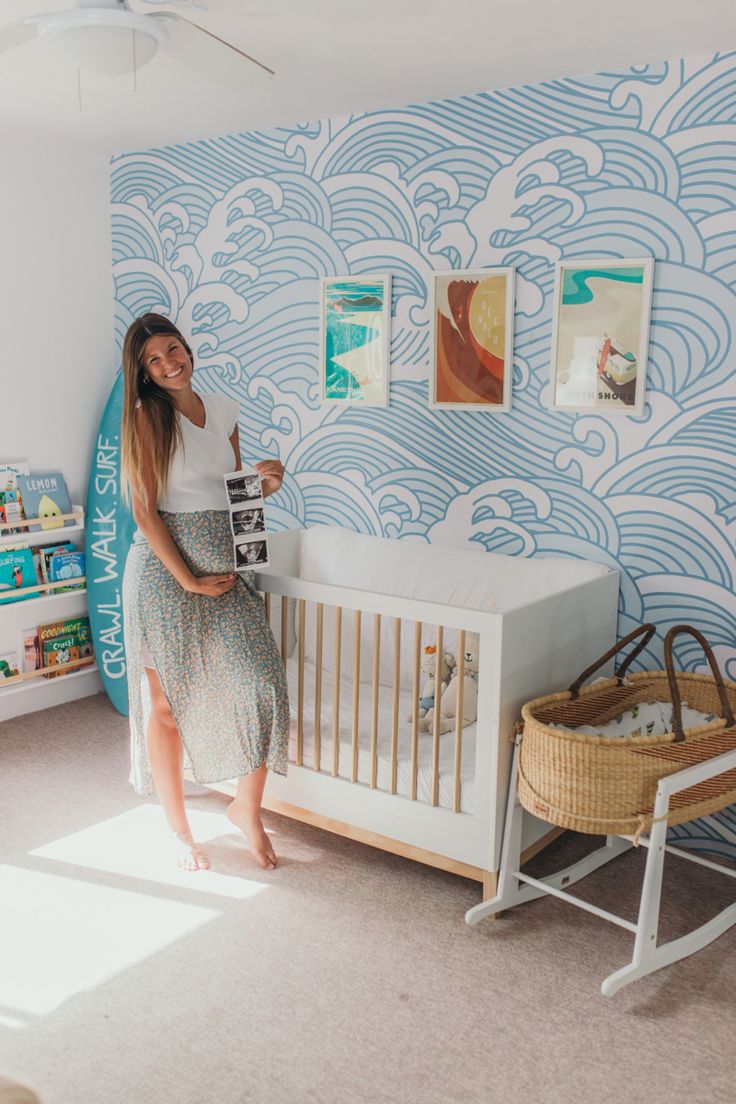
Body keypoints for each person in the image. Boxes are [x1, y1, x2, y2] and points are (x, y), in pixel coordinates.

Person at [121, 313, 290, 871]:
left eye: (173, 349)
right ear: (144, 372)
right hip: (166, 569)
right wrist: (186, 578)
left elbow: (230, 493)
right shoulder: (147, 416)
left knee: (262, 682)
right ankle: (178, 831)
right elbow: (145, 511)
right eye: (154, 359)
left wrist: (261, 488)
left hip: (221, 562)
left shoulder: (223, 410)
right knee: (167, 705)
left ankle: (245, 807)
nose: (169, 362)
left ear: (188, 349)